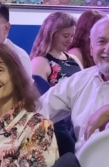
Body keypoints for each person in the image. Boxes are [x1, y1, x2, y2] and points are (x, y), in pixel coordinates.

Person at [41, 16, 109, 154]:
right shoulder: (79, 81)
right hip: (84, 165)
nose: (107, 49)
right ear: (91, 48)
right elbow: (38, 110)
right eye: (101, 41)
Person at [30, 11, 82, 86]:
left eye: (72, 36)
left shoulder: (74, 59)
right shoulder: (39, 62)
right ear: (51, 35)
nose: (70, 40)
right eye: (65, 36)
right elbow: (39, 92)